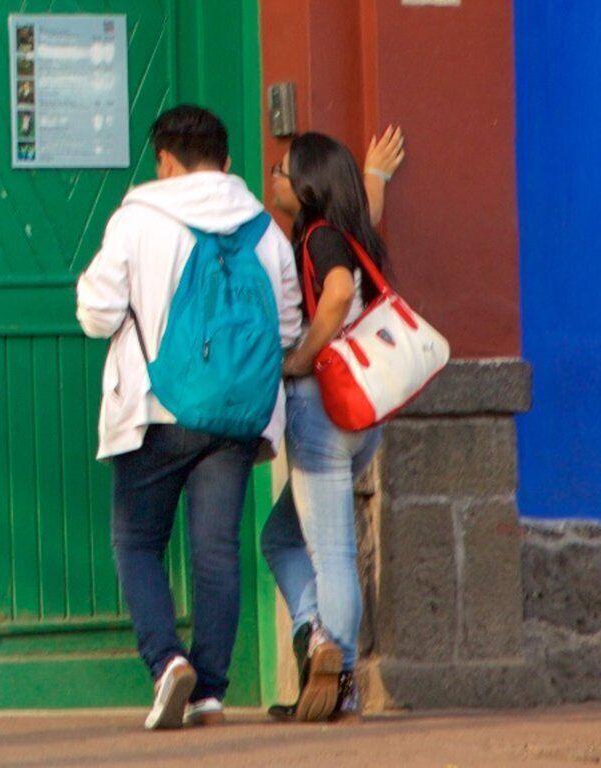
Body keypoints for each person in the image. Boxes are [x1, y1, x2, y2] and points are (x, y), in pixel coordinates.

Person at [75, 103, 300, 732]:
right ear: (226, 163)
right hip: (238, 417)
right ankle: (211, 691)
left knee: (138, 542)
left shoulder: (138, 218)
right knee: (217, 553)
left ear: (165, 160)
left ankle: (168, 662)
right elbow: (287, 331)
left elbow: (96, 314)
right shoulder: (266, 228)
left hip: (155, 410)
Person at [262, 127, 405, 722]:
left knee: (332, 552)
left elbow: (340, 289)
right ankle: (320, 643)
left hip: (321, 406)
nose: (272, 179)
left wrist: (301, 356)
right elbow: (361, 228)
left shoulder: (318, 236)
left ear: (309, 187)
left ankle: (338, 669)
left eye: (281, 170)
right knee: (282, 537)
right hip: (362, 411)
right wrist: (375, 177)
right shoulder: (348, 229)